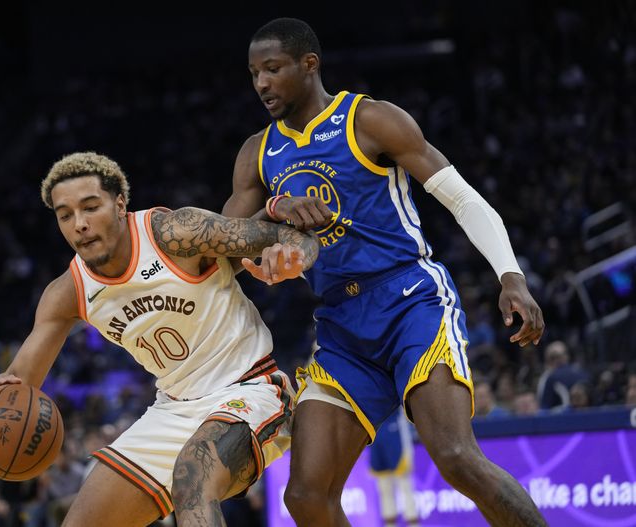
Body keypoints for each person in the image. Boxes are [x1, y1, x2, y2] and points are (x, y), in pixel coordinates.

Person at [222, 18, 546, 526]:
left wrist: (512, 276)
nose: (261, 83)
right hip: (340, 325)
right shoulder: (257, 154)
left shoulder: (369, 119)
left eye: (272, 68)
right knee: (306, 495)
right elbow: (220, 242)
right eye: (253, 72)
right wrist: (276, 207)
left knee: (457, 457)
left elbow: (461, 198)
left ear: (309, 65)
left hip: (410, 299)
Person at [0, 152, 319, 526]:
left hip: (251, 388)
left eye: (90, 207)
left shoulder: (175, 232)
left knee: (192, 479)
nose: (79, 224)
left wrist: (294, 257)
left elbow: (286, 234)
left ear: (120, 204)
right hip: (174, 409)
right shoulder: (66, 293)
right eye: (65, 215)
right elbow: (19, 383)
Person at [367, 408, 419, 527]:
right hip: (376, 437)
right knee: (384, 487)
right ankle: (389, 524)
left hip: (396, 433)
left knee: (405, 485)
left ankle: (413, 523)